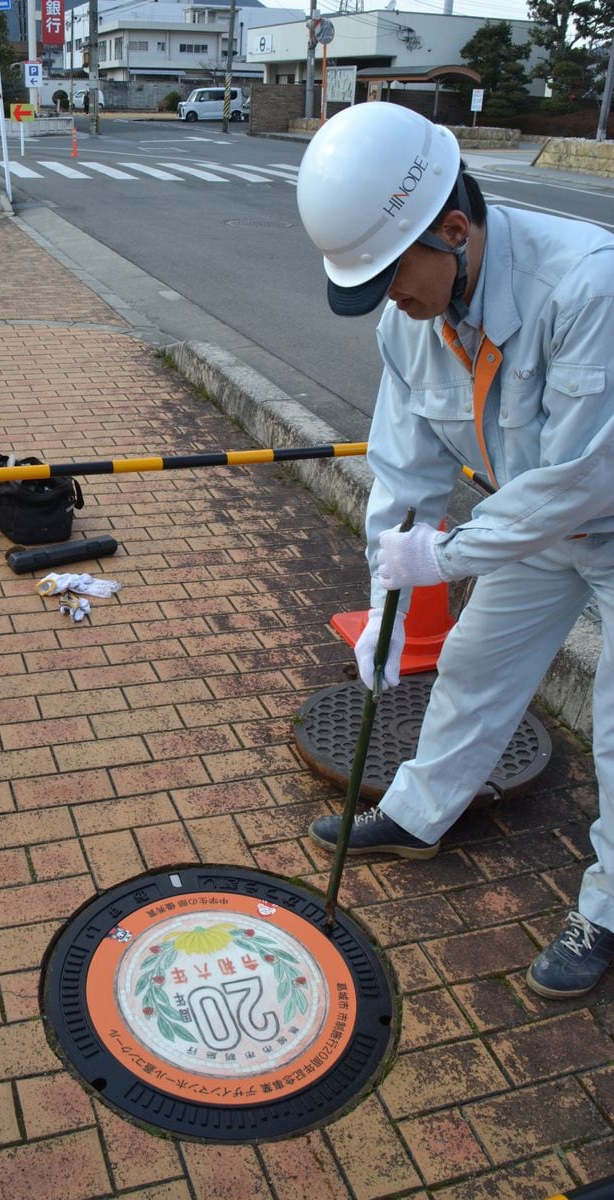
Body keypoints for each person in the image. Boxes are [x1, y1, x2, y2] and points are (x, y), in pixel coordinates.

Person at [296, 101, 614, 1001]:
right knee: (473, 664)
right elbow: (402, 473)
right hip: (531, 527)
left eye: (392, 274)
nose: (388, 297)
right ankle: (415, 814)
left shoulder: (588, 286)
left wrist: (451, 558)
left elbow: (584, 477)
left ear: (453, 229)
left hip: (598, 512)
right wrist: (388, 608)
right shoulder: (408, 322)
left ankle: (607, 908)